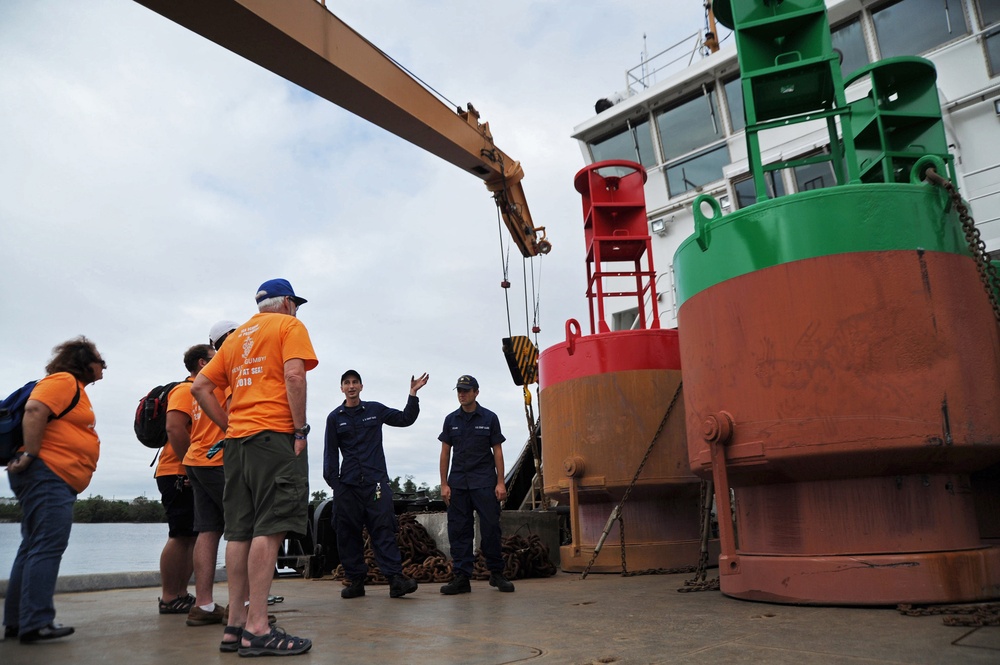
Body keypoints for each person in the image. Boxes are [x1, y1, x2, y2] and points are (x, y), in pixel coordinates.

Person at [192, 279, 316, 657]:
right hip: (274, 438)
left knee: (240, 531)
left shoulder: (235, 338)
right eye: (295, 304)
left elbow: (200, 387)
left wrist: (228, 426)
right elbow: (294, 376)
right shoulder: (289, 326)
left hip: (237, 445)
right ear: (288, 303)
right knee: (272, 525)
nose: (296, 310)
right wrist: (299, 429)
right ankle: (259, 628)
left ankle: (235, 626)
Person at [3, 337, 105, 643]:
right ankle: (35, 622)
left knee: (32, 546)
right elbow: (35, 409)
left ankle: (18, 622)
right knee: (46, 546)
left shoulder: (73, 387)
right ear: (83, 362)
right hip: (47, 475)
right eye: (101, 361)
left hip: (49, 476)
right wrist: (31, 454)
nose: (104, 367)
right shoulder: (64, 380)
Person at [323, 369, 429, 599]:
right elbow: (330, 454)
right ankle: (356, 582)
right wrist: (335, 484)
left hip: (376, 484)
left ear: (361, 386)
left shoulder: (375, 410)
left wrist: (412, 394)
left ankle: (395, 580)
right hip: (348, 485)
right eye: (347, 383)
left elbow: (404, 419)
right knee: (347, 533)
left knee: (383, 530)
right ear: (342, 388)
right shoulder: (334, 418)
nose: (351, 386)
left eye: (355, 382)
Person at [174, 336, 232, 627]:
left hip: (196, 460)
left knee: (208, 530)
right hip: (218, 461)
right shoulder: (223, 380)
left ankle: (204, 605)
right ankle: (243, 608)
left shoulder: (194, 388)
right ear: (203, 362)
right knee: (243, 528)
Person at [438, 375, 515, 594]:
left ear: (476, 392)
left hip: (484, 483)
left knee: (491, 529)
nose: (461, 394)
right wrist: (444, 484)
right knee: (459, 532)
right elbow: (445, 452)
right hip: (459, 485)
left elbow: (497, 450)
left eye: (466, 390)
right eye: (459, 391)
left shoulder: (490, 418)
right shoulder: (451, 420)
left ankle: (497, 574)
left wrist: (501, 482)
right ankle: (461, 578)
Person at [155, 346, 211, 616]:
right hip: (177, 472)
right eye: (214, 359)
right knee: (179, 535)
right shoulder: (184, 390)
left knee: (191, 535)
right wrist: (190, 468)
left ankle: (181, 593)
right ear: (201, 362)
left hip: (189, 471)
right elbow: (174, 427)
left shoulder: (201, 390)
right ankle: (168, 596)